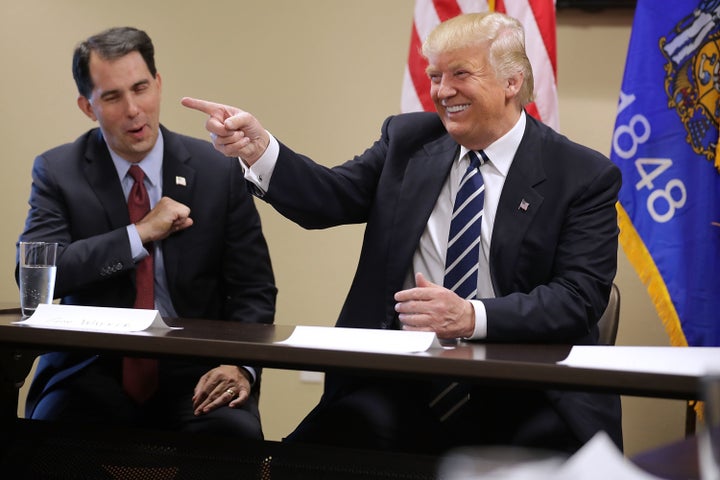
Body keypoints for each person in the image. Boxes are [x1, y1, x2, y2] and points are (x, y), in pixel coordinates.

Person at [182, 11, 622, 454]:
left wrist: (471, 317)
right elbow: (329, 198)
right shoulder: (409, 140)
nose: (442, 91)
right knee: (306, 454)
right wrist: (262, 152)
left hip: (526, 387)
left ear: (512, 82)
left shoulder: (581, 175)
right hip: (405, 382)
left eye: (460, 74)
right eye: (435, 76)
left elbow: (578, 298)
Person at [16, 26, 277, 438]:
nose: (134, 109)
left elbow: (253, 289)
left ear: (158, 84)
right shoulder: (58, 171)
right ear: (88, 106)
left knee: (233, 436)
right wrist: (139, 233)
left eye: (141, 88)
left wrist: (238, 365)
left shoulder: (217, 171)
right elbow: (41, 274)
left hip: (196, 368)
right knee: (52, 435)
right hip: (90, 368)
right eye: (113, 97)